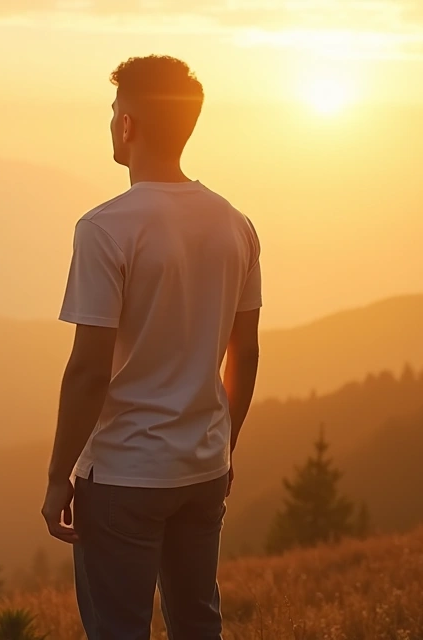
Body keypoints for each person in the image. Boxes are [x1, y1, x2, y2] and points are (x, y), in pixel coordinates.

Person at [41, 55, 262, 640]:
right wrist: (224, 444)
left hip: (122, 475)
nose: (111, 120)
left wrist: (58, 476)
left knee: (118, 629)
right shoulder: (235, 224)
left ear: (129, 124)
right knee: (197, 624)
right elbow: (248, 353)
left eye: (114, 109)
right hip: (204, 467)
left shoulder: (105, 228)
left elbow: (89, 371)